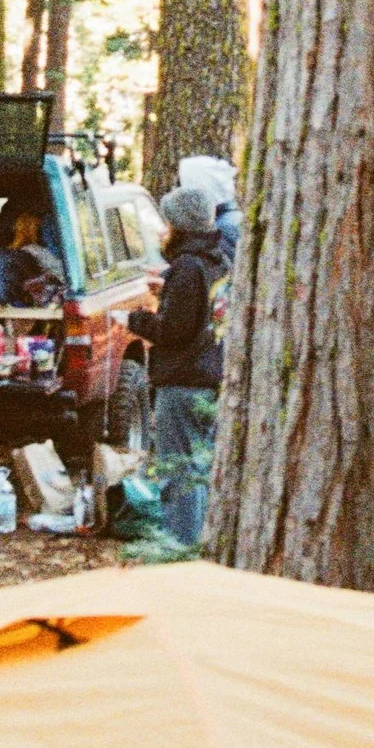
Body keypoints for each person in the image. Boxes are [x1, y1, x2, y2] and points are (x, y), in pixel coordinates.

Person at [128, 183, 224, 549]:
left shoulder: (187, 267)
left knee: (178, 473)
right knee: (199, 472)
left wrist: (136, 320)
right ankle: (199, 543)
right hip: (210, 376)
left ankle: (178, 551)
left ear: (181, 226)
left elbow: (174, 330)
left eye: (167, 223)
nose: (163, 231)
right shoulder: (218, 261)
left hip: (183, 381)